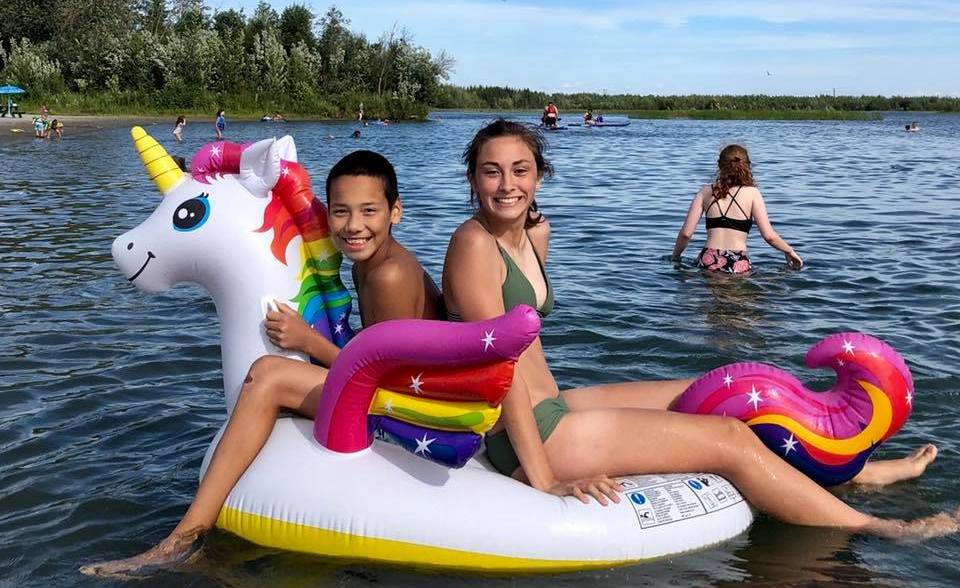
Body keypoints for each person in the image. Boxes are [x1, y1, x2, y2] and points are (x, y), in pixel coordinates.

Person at [442, 119, 955, 538]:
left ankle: (860, 473)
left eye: (520, 170)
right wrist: (545, 478)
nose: (507, 185)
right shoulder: (473, 244)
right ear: (473, 180)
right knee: (729, 438)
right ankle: (878, 528)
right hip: (528, 435)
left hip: (554, 406)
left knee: (733, 391)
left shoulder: (534, 232)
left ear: (539, 176)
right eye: (492, 172)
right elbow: (498, 364)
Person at [81, 150, 445, 577]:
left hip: (409, 404)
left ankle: (183, 537)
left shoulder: (389, 275)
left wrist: (307, 339)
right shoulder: (373, 263)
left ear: (395, 212)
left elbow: (386, 373)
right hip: (399, 387)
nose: (353, 226)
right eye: (341, 212)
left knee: (267, 377)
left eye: (369, 211)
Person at [671, 145, 803, 274]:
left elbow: (686, 234)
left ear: (719, 165)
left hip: (707, 259)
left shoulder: (705, 192)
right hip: (737, 261)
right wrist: (789, 251)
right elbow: (769, 236)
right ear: (747, 165)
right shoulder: (752, 193)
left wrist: (675, 257)